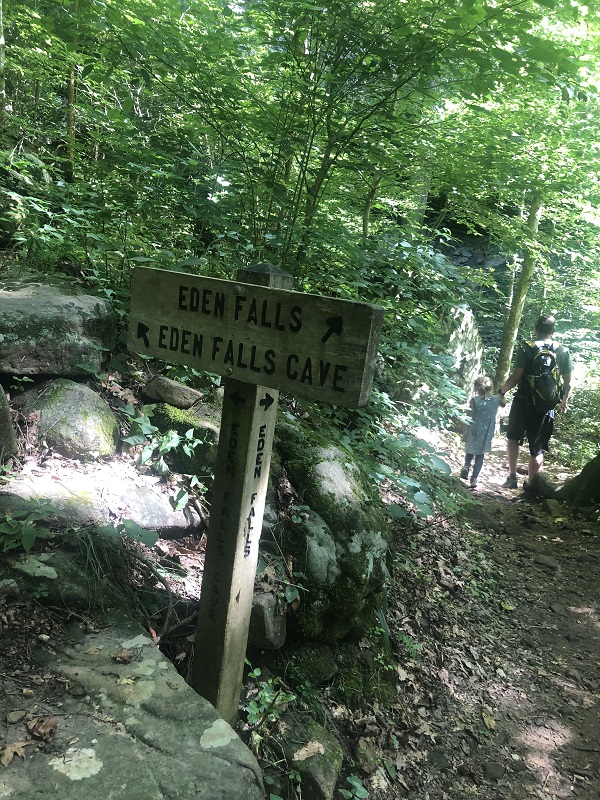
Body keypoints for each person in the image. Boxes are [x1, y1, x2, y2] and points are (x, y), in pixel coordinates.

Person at [498, 314, 572, 489]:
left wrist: (502, 391)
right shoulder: (562, 351)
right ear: (553, 331)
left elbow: (515, 377)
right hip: (546, 406)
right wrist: (564, 400)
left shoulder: (526, 347)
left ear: (535, 329)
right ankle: (531, 485)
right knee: (537, 448)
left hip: (523, 400)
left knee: (513, 437)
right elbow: (568, 383)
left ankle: (512, 478)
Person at [460, 375, 503, 488]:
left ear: (476, 388)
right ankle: (474, 479)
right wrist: (501, 394)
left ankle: (466, 466)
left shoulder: (474, 400)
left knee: (470, 449)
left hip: (474, 428)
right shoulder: (495, 399)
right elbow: (504, 404)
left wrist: (464, 433)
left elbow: (469, 417)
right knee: (480, 454)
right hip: (487, 430)